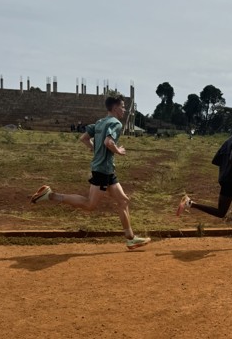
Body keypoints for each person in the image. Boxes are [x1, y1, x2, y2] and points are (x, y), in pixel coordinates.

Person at [30, 94, 150, 250]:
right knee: (89, 204)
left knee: (123, 201)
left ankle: (130, 238)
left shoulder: (100, 122)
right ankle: (51, 196)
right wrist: (118, 151)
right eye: (122, 106)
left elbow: (84, 138)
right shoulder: (116, 124)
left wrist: (96, 150)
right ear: (114, 108)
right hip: (103, 171)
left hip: (107, 170)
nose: (124, 109)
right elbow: (108, 142)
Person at [177, 119, 232, 249]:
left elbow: (215, 160)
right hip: (229, 180)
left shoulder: (228, 141)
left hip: (225, 178)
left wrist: (228, 166)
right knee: (222, 212)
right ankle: (190, 203)